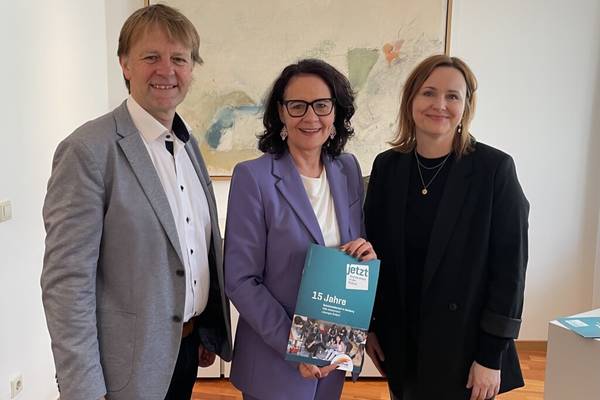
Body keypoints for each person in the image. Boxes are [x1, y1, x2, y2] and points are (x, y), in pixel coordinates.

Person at [41, 5, 232, 400]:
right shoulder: (89, 150)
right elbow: (67, 283)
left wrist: (203, 329)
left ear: (192, 69)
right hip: (124, 370)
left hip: (183, 351)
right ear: (125, 64)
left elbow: (191, 246)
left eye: (179, 58)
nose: (167, 70)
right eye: (151, 57)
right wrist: (83, 389)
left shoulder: (187, 145)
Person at [364, 55, 529, 400]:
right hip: (401, 343)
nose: (439, 105)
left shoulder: (494, 169)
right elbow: (375, 256)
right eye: (429, 93)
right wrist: (371, 326)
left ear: (466, 106)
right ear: (411, 100)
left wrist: (491, 356)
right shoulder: (387, 167)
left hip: (465, 351)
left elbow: (509, 271)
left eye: (453, 96)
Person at [224, 58, 376, 400]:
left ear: (335, 111)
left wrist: (366, 256)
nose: (310, 117)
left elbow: (352, 251)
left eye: (321, 105)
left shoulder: (348, 169)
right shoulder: (253, 177)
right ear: (281, 112)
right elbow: (241, 280)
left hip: (332, 358)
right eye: (297, 105)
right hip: (274, 363)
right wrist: (296, 346)